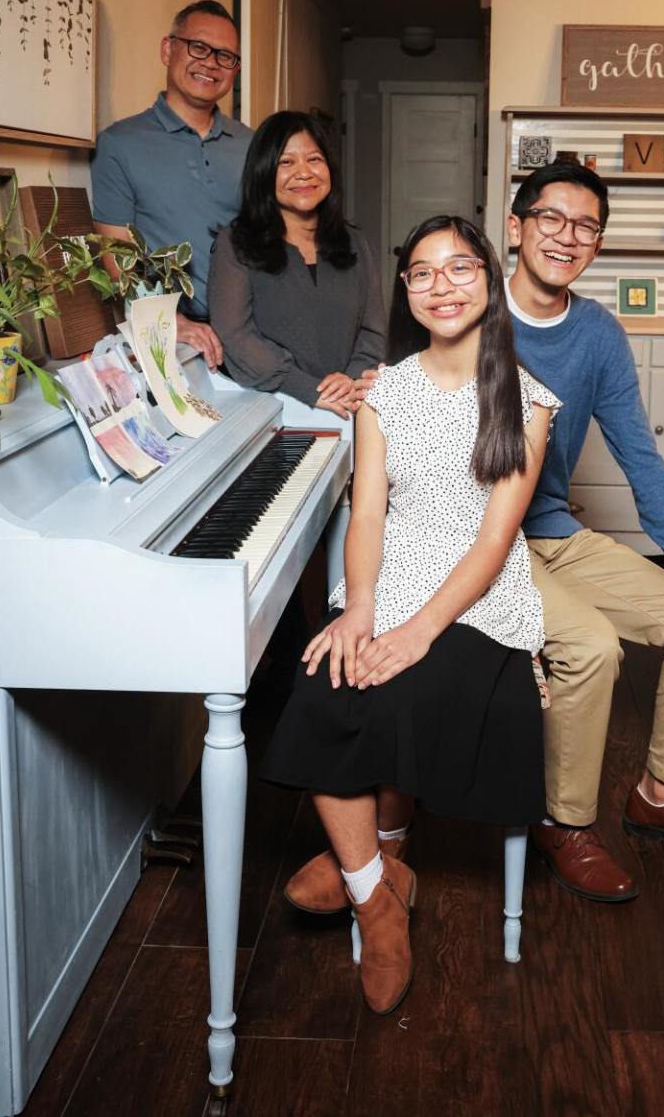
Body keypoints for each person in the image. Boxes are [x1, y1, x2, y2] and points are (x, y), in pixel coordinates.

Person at [261, 216, 559, 1014]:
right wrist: (359, 610)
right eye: (422, 273)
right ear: (406, 293)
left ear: (489, 281)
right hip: (389, 574)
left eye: (459, 268)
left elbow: (495, 541)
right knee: (323, 683)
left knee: (402, 688)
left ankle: (382, 849)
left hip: (480, 593)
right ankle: (377, 897)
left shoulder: (527, 402)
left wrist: (417, 632)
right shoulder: (381, 392)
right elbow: (365, 517)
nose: (441, 286)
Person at [505, 162, 664, 902]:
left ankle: (661, 793)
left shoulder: (597, 333)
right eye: (552, 218)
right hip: (480, 541)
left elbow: (641, 460)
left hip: (556, 531)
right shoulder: (470, 310)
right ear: (517, 225)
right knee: (591, 646)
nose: (568, 236)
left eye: (586, 226)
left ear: (598, 245)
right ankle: (566, 822)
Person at [92, 0, 251, 370]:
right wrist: (170, 323)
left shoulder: (254, 145)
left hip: (254, 333)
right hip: (182, 344)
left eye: (225, 56)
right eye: (198, 47)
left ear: (235, 69)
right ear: (168, 49)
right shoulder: (120, 144)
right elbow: (117, 251)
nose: (211, 63)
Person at [207, 111, 384, 419]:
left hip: (352, 407)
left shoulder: (356, 242)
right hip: (276, 413)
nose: (304, 173)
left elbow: (373, 331)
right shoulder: (235, 243)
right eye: (285, 162)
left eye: (314, 159)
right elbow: (235, 334)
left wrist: (351, 382)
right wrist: (309, 389)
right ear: (263, 171)